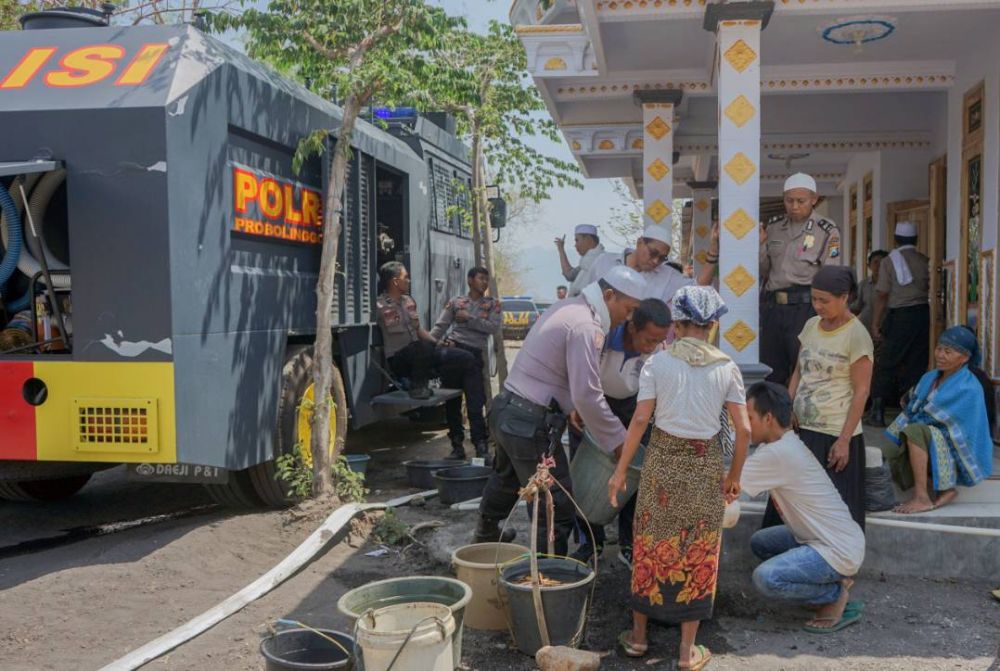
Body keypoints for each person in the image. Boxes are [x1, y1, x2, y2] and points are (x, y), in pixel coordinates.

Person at [608, 285, 750, 671]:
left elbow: (640, 420)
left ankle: (638, 639)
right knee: (699, 548)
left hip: (662, 464)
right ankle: (687, 653)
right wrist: (734, 477)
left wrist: (620, 471)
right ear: (713, 324)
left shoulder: (659, 363)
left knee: (649, 542)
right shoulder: (727, 367)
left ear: (677, 323)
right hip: (704, 468)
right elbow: (744, 430)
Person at [474, 266, 647, 553]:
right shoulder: (586, 326)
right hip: (531, 423)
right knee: (555, 503)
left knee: (506, 481)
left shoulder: (569, 307)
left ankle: (484, 538)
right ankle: (549, 573)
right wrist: (621, 444)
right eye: (628, 309)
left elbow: (559, 375)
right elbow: (588, 395)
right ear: (608, 295)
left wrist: (569, 407)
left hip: (508, 410)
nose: (628, 319)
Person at [742, 382, 866, 634]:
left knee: (765, 579)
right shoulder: (783, 445)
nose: (744, 424)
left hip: (836, 549)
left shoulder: (778, 454)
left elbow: (728, 483)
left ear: (768, 418)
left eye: (749, 417)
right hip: (831, 539)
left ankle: (832, 594)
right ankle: (829, 581)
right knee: (761, 542)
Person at [763, 266, 873, 531]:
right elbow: (799, 371)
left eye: (825, 300)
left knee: (835, 508)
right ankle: (785, 554)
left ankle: (840, 565)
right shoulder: (811, 325)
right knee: (791, 499)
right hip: (802, 428)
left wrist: (844, 440)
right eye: (814, 299)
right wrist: (786, 410)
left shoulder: (857, 335)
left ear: (844, 297)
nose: (818, 306)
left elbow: (862, 391)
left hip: (834, 435)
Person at [567, 298, 672, 566]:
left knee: (634, 476)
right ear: (632, 327)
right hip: (594, 402)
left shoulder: (657, 352)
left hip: (634, 408)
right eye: (648, 339)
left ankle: (629, 543)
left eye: (658, 341)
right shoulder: (602, 337)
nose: (652, 347)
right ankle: (591, 542)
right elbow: (578, 372)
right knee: (585, 474)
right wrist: (577, 403)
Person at [376, 262, 486, 460]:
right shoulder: (381, 305)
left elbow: (419, 332)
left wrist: (439, 344)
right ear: (395, 281)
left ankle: (476, 441)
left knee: (466, 360)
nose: (408, 280)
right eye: (405, 277)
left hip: (422, 354)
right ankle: (418, 387)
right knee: (424, 348)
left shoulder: (408, 301)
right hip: (401, 359)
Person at [884, 326, 995, 513]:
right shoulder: (930, 377)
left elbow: (959, 427)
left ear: (965, 358)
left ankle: (922, 497)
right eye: (939, 349)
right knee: (890, 448)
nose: (940, 355)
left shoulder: (969, 386)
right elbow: (912, 403)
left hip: (956, 444)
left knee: (914, 431)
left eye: (948, 351)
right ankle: (942, 487)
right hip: (930, 434)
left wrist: (918, 421)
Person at [756, 173, 843, 385]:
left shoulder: (827, 231)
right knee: (770, 369)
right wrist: (759, 245)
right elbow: (763, 269)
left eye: (801, 201)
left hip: (805, 308)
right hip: (773, 307)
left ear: (814, 199)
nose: (794, 206)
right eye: (789, 200)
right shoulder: (774, 227)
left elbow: (830, 275)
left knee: (804, 368)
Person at [431, 266, 502, 462]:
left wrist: (469, 319)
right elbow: (440, 327)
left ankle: (480, 446)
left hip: (473, 356)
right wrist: (430, 344)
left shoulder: (492, 304)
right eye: (481, 278)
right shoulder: (456, 302)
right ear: (470, 280)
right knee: (451, 402)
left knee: (475, 403)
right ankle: (457, 446)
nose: (484, 282)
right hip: (453, 353)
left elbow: (493, 327)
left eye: (486, 279)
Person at [868, 222, 931, 427]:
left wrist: (876, 323)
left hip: (899, 316)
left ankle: (877, 411)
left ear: (895, 239)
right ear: (916, 239)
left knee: (887, 362)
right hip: (923, 316)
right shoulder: (924, 260)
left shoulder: (888, 261)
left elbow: (883, 294)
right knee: (916, 363)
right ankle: (911, 410)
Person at [585, 223, 694, 306]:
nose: (656, 261)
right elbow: (586, 298)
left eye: (662, 258)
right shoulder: (604, 262)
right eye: (653, 253)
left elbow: (698, 286)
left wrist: (711, 254)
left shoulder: (668, 276)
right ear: (640, 243)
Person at [555, 224, 605, 297]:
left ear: (588, 239)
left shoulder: (596, 262)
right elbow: (570, 275)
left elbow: (569, 275)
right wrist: (561, 249)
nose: (575, 245)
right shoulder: (587, 263)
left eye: (577, 240)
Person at [850, 250, 888, 334]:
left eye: (882, 263)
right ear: (869, 265)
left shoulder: (891, 284)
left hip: (885, 329)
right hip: (864, 329)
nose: (878, 266)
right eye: (875, 262)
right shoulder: (864, 284)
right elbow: (857, 306)